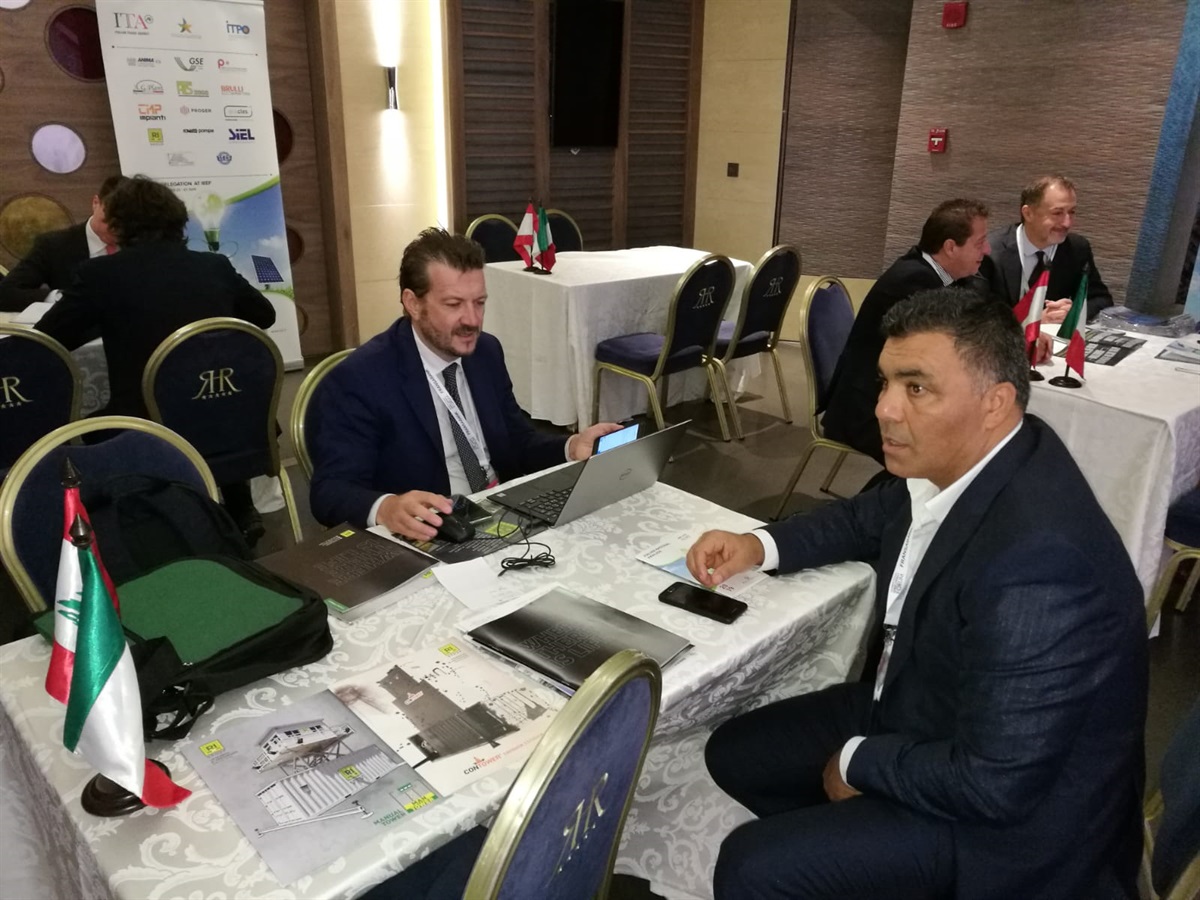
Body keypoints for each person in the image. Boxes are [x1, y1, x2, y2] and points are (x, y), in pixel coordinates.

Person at [686, 289, 1147, 900]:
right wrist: (757, 545)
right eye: (885, 383)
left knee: (752, 867)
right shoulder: (976, 455)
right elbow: (865, 518)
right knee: (736, 753)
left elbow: (996, 783)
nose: (883, 409)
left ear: (994, 403)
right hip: (926, 709)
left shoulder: (1040, 563)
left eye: (917, 388)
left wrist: (860, 763)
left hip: (1008, 831)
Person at [309, 227, 619, 539]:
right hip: (432, 533)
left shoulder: (486, 352)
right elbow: (330, 491)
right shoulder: (360, 379)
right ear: (413, 303)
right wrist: (387, 507)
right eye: (454, 304)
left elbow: (516, 441)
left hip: (503, 514)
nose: (472, 320)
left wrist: (570, 447)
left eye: (479, 302)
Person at [36, 175, 276, 543]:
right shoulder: (214, 266)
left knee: (91, 422)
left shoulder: (101, 275)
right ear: (178, 221)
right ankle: (240, 505)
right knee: (209, 394)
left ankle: (144, 520)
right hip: (232, 421)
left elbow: (49, 339)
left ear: (118, 224)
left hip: (148, 425)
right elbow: (264, 316)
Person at [821, 199, 993, 464]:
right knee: (961, 450)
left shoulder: (938, 274)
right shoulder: (914, 282)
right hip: (866, 410)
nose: (988, 250)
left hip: (893, 393)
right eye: (979, 243)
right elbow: (947, 351)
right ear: (950, 247)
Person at [980, 174, 1113, 323]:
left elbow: (1101, 299)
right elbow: (975, 317)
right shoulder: (990, 252)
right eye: (1057, 213)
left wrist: (1074, 311)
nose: (1067, 223)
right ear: (1028, 213)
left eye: (1071, 212)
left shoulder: (1077, 248)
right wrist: (1030, 321)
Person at [0, 175, 129, 312]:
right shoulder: (54, 245)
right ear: (95, 203)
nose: (116, 230)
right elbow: (5, 293)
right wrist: (61, 298)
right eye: (107, 221)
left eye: (125, 223)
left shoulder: (141, 241)